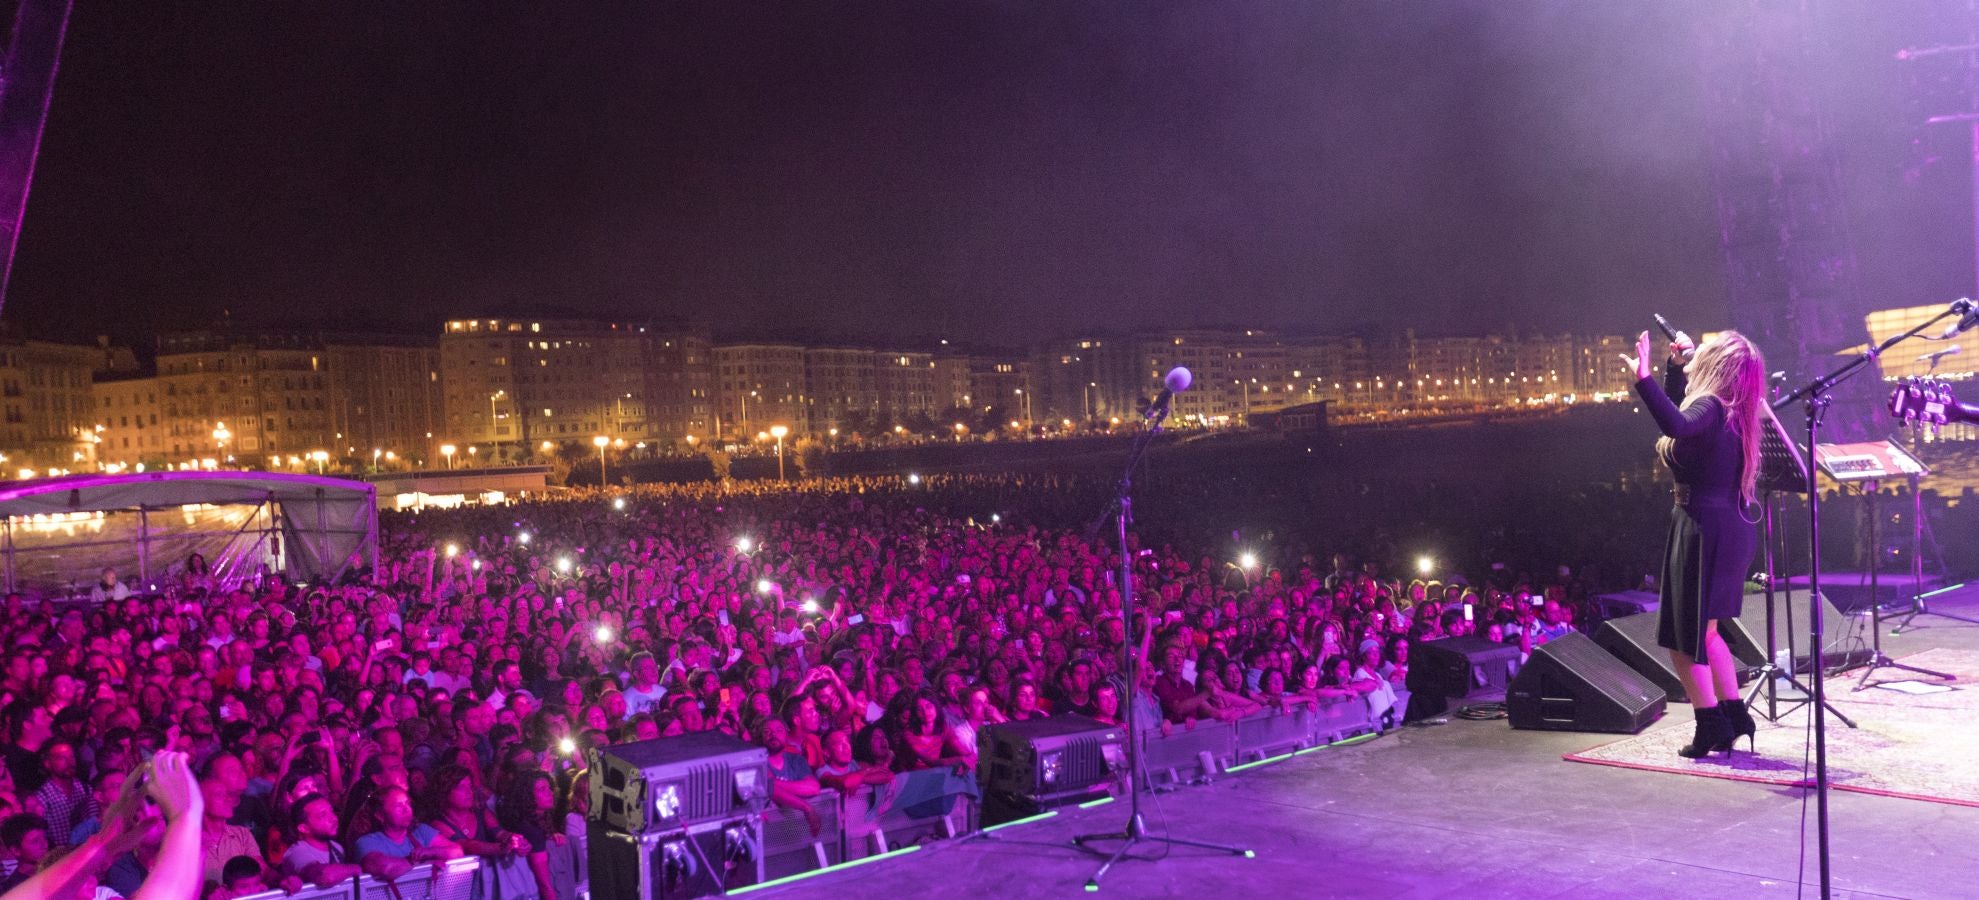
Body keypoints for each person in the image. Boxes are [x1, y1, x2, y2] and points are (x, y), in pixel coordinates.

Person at [1625, 327, 1765, 759]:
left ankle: (1709, 726)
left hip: (1702, 526)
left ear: (1716, 363)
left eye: (1705, 345)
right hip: (1726, 526)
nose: (1697, 344)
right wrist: (1673, 370)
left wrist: (1644, 379)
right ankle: (1733, 715)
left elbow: (1676, 423)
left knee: (1682, 639)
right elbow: (1685, 425)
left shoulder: (1711, 406)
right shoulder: (1733, 410)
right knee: (1707, 634)